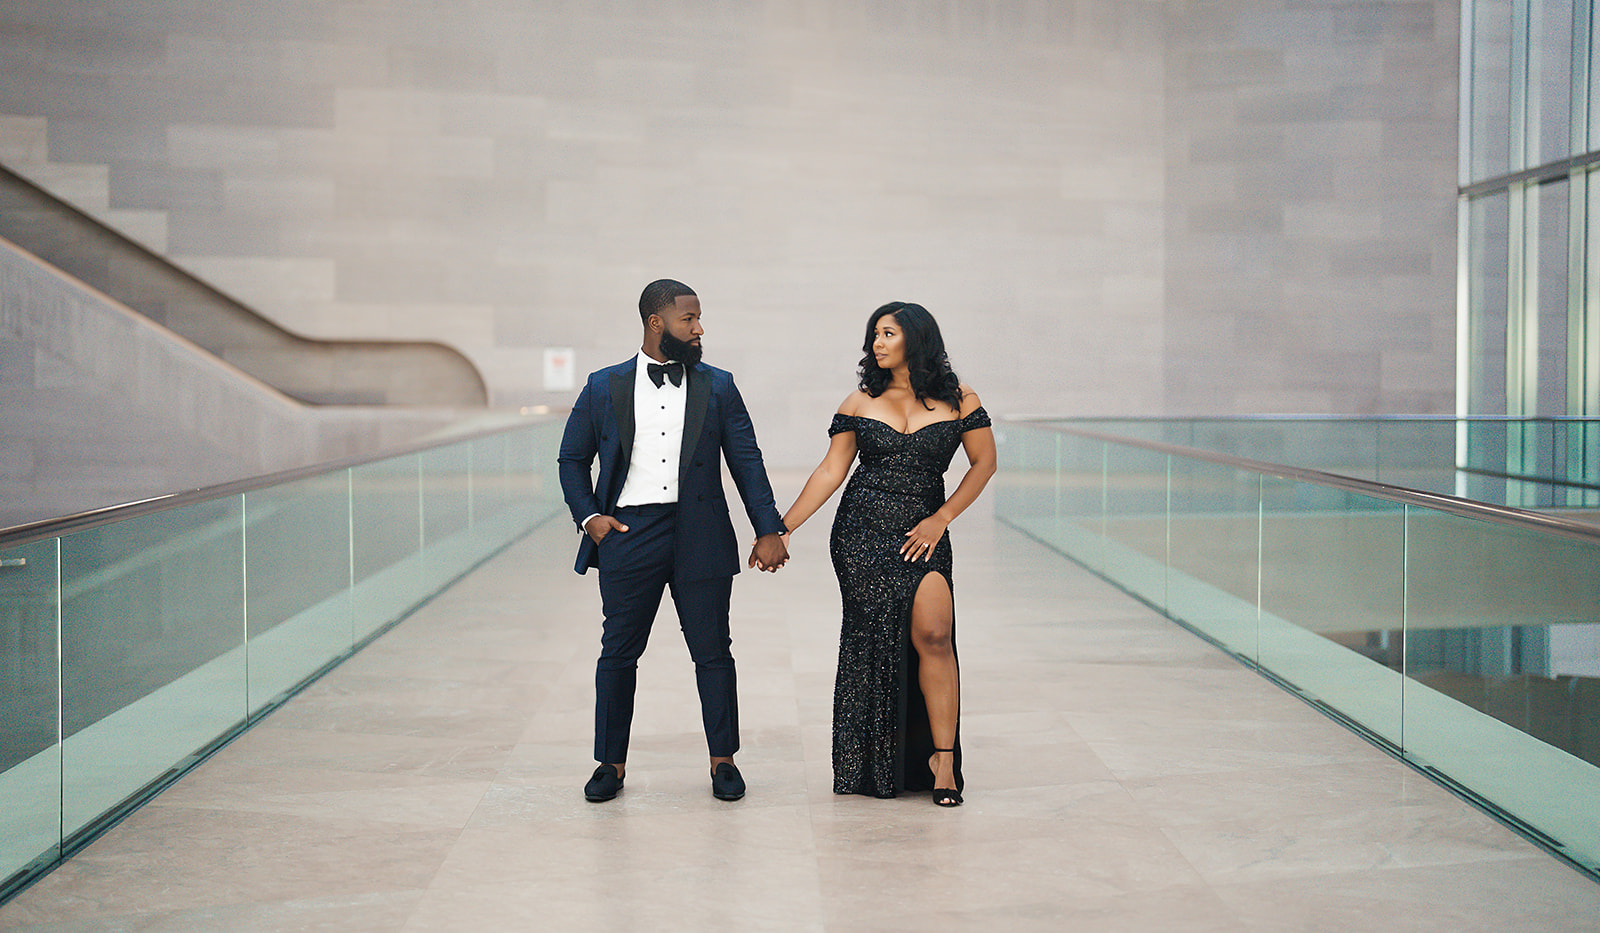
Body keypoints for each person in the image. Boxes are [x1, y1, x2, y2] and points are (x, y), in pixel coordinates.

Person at [557, 279, 789, 803]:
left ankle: (723, 762)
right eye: (690, 319)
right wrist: (590, 517)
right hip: (628, 534)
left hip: (701, 532)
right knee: (618, 653)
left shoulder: (719, 385)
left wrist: (768, 528)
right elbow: (572, 459)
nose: (699, 328)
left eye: (699, 318)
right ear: (656, 322)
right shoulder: (603, 385)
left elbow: (746, 460)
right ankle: (609, 765)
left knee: (713, 653)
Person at [778, 301, 995, 806]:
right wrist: (783, 527)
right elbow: (831, 471)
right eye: (874, 334)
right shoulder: (859, 401)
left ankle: (942, 759)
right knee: (872, 641)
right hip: (861, 534)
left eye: (888, 333)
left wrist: (941, 519)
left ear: (915, 339)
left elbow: (984, 463)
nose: (877, 342)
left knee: (935, 635)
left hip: (924, 530)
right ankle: (872, 759)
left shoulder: (961, 399)